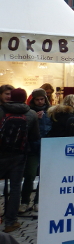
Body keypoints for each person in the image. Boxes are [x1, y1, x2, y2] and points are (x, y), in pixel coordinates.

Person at [0, 88, 40, 233]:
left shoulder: (2, 110)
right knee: (16, 188)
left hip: (1, 154)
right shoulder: (31, 114)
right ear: (25, 98)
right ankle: (10, 222)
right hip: (19, 155)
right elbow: (35, 137)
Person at [19, 88, 50, 215]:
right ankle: (25, 201)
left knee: (44, 176)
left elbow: (50, 127)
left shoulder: (50, 111)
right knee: (30, 175)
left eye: (42, 99)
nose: (40, 102)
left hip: (46, 146)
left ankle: (38, 201)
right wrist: (34, 119)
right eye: (37, 99)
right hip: (32, 147)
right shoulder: (29, 112)